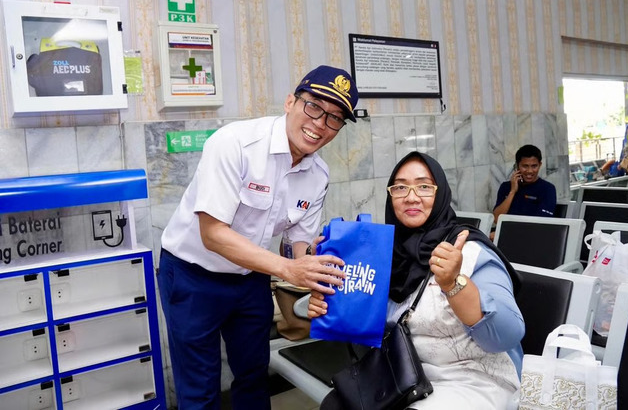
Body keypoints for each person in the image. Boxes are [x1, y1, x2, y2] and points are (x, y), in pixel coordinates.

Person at [158, 65, 359, 410]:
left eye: (334, 118)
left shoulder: (318, 175)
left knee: (253, 377)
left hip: (251, 277)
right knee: (200, 388)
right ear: (290, 102)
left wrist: (314, 263)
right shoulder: (235, 143)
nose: (320, 124)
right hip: (193, 276)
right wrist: (289, 269)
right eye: (314, 107)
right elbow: (213, 234)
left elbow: (296, 246)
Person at [311, 151, 524, 409]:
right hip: (401, 375)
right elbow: (371, 333)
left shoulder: (470, 252)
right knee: (333, 405)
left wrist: (453, 284)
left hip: (472, 379)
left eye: (424, 186)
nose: (411, 197)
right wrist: (333, 304)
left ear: (440, 193)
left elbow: (506, 336)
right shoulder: (385, 256)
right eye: (400, 187)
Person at [492, 144, 556, 224]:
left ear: (540, 165)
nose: (529, 171)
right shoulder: (505, 187)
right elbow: (496, 219)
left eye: (534, 166)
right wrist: (512, 192)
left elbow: (542, 222)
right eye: (525, 166)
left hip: (532, 231)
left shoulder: (547, 189)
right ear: (517, 166)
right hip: (507, 230)